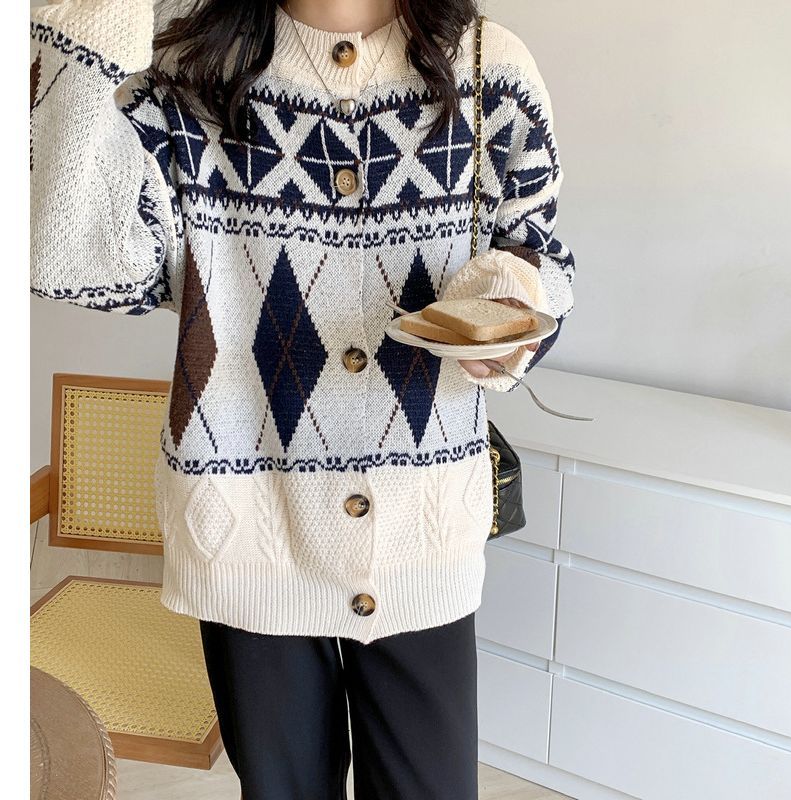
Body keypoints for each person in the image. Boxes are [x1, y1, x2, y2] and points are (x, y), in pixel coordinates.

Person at [29, 0, 575, 797]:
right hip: (248, 531)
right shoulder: (182, 73)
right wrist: (88, 24)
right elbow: (73, 260)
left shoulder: (491, 67)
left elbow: (541, 254)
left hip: (421, 534)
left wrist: (508, 307)